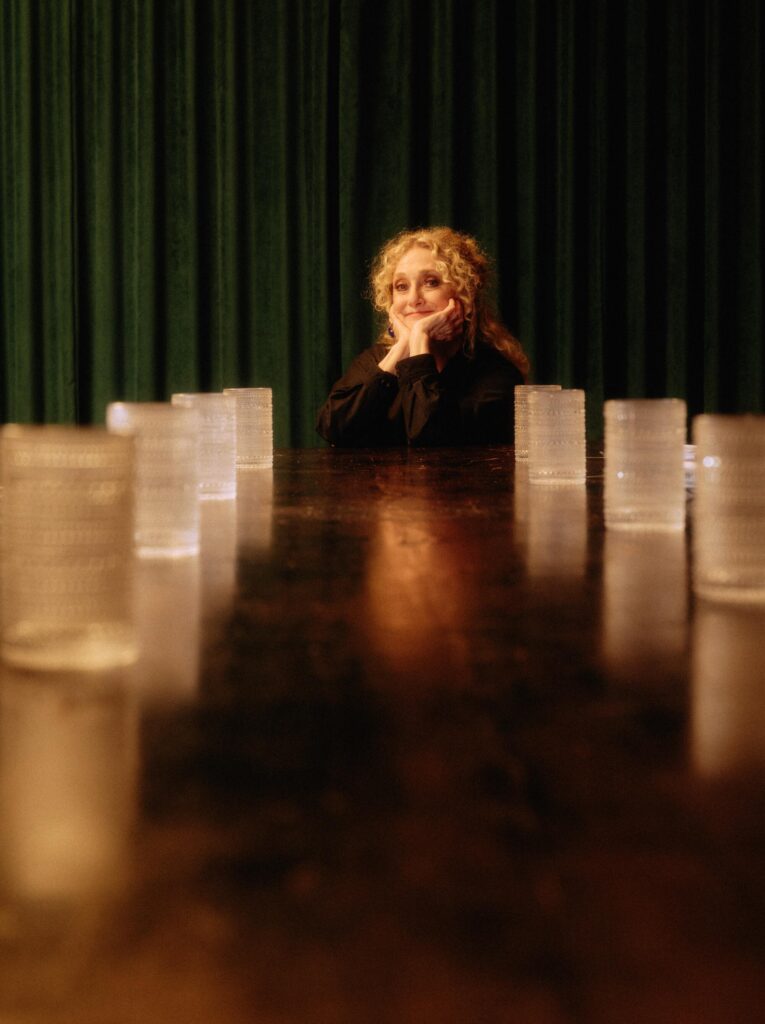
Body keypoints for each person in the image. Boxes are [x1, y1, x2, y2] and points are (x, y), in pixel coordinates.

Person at [316, 227, 529, 447]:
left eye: (431, 282)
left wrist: (419, 344)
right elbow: (332, 427)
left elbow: (430, 446)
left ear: (464, 294)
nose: (413, 299)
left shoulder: (497, 375)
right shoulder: (376, 359)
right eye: (401, 286)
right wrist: (402, 348)